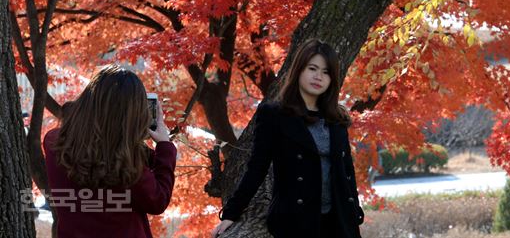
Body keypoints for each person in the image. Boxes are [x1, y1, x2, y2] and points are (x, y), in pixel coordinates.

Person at [212, 39, 365, 238]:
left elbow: (346, 170)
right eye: (312, 68)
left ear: (332, 79)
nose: (318, 76)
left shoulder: (337, 118)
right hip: (295, 219)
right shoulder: (274, 115)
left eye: (326, 72)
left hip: (339, 219)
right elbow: (257, 168)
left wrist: (355, 211)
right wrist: (231, 213)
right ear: (299, 69)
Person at [43, 64, 177, 238]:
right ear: (130, 115)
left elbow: (96, 149)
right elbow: (157, 200)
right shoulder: (124, 161)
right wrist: (164, 146)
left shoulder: (55, 143)